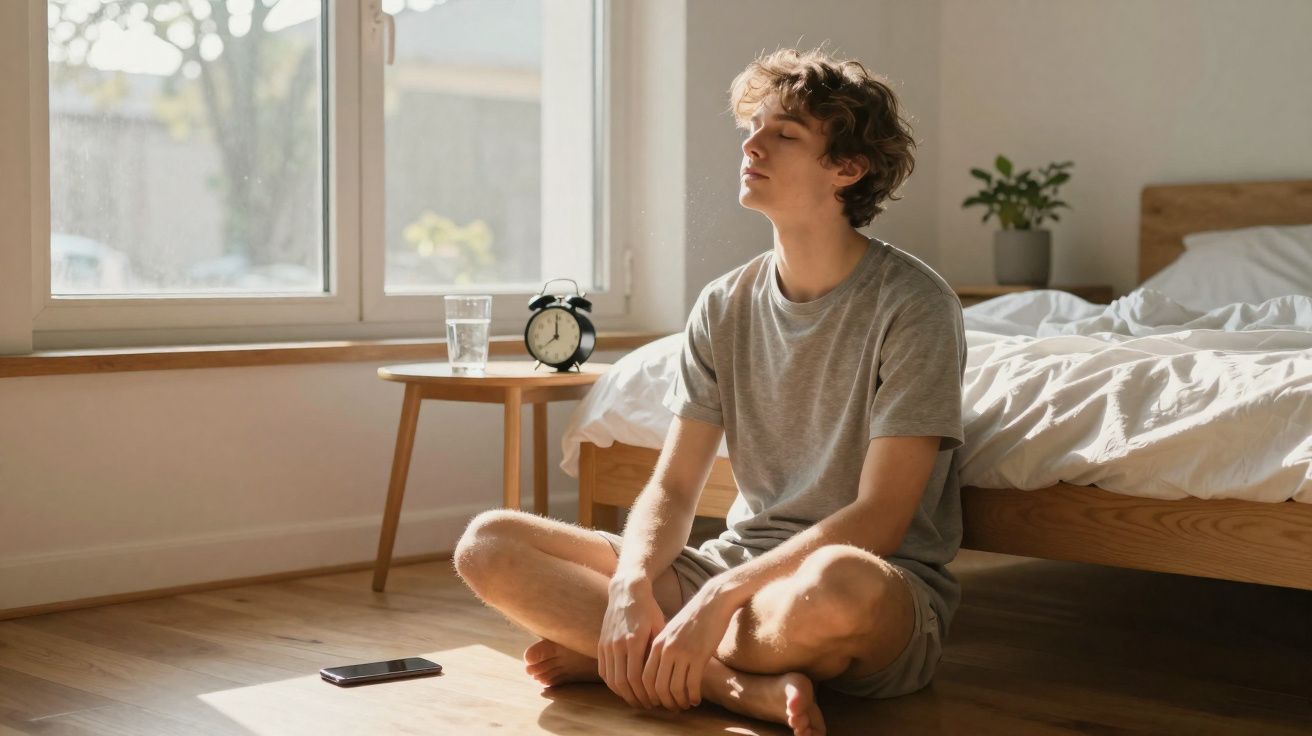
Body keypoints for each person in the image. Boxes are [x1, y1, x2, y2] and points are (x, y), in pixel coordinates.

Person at [453, 45, 966, 736]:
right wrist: (634, 585)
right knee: (486, 544)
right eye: (752, 126)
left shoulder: (915, 304)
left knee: (840, 584)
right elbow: (673, 486)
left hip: (856, 589)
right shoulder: (724, 303)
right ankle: (726, 684)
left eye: (784, 134)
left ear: (847, 168)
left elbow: (881, 518)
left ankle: (631, 657)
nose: (752, 143)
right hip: (734, 571)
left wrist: (716, 599)